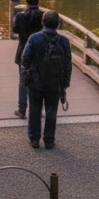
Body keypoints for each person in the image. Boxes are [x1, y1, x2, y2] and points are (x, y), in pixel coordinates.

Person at [20, 10, 72, 149]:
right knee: (51, 110)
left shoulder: (34, 38)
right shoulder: (64, 41)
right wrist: (65, 82)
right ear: (58, 24)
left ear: (42, 23)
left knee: (35, 109)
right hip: (55, 80)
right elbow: (68, 63)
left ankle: (34, 139)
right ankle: (49, 140)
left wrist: (30, 71)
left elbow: (24, 60)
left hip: (36, 81)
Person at [11, 0, 44, 119]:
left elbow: (15, 30)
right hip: (39, 52)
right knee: (39, 80)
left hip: (23, 51)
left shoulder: (20, 16)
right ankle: (38, 110)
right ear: (38, 2)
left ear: (26, 2)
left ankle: (22, 109)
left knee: (23, 81)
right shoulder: (43, 15)